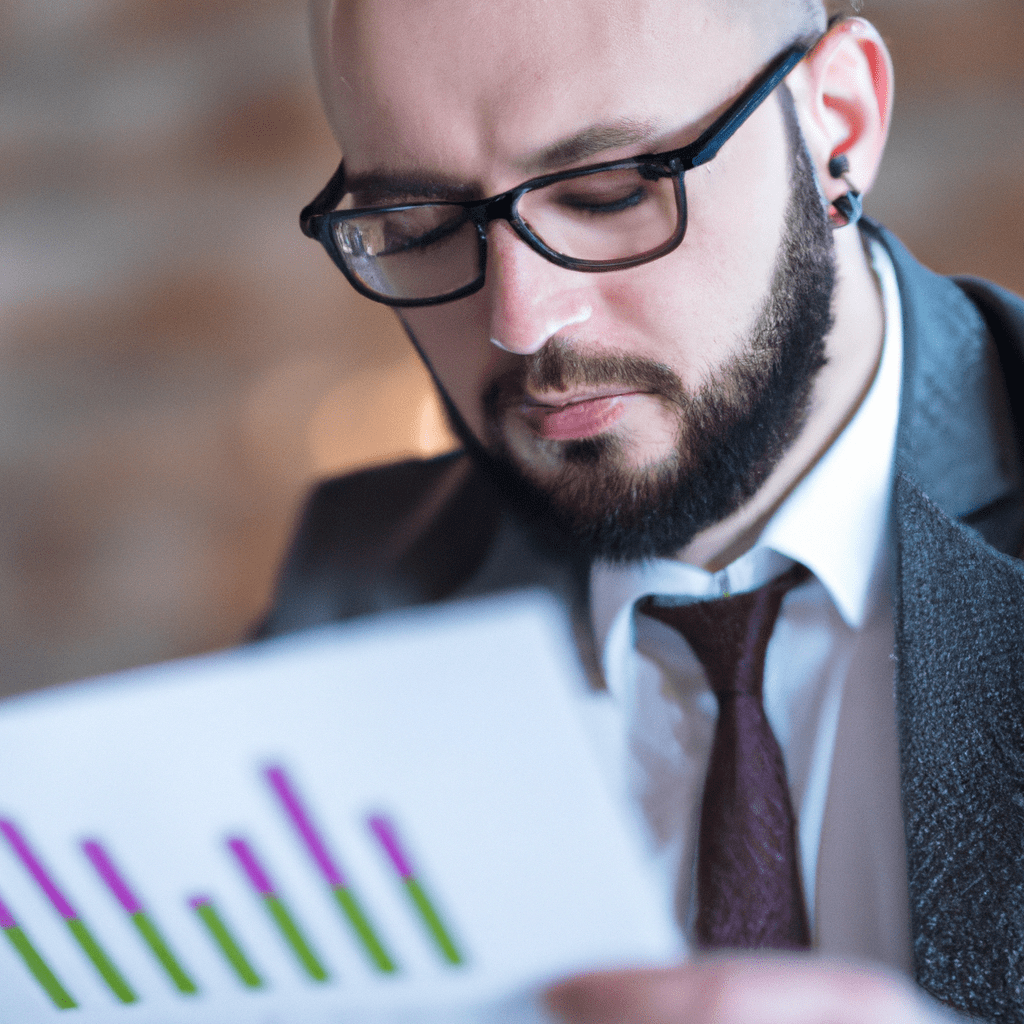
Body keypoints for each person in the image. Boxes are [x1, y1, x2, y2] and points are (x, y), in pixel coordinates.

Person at [256, 0, 1024, 1020]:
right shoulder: (356, 588)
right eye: (420, 227)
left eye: (610, 190)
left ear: (836, 120)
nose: (522, 322)